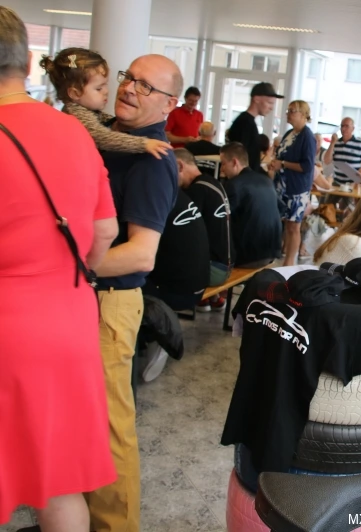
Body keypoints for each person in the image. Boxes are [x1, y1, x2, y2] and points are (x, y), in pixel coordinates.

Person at [0, 8, 118, 529]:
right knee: (60, 480)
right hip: (69, 316)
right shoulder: (74, 132)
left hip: (6, 319)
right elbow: (106, 229)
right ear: (27, 63)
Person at [90, 53, 183, 531]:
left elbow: (141, 254)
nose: (129, 88)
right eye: (129, 77)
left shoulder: (152, 159)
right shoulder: (110, 136)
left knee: (109, 426)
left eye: (146, 86)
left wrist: (61, 267)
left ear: (168, 104)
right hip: (85, 297)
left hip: (110, 302)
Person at [40, 47, 171, 159]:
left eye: (105, 85)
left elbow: (101, 119)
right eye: (99, 88)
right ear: (75, 93)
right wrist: (143, 144)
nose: (106, 92)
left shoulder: (80, 110)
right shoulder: (77, 114)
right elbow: (102, 137)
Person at [175, 149, 233, 289]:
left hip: (214, 269)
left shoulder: (197, 190)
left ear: (180, 166)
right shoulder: (212, 182)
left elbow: (184, 233)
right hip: (226, 263)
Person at [269, 100, 316, 266]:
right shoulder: (290, 133)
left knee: (294, 225)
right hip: (283, 185)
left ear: (303, 115)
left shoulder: (307, 137)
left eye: (292, 111)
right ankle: (283, 253)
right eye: (288, 111)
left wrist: (283, 164)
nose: (288, 114)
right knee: (286, 223)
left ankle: (289, 261)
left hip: (297, 188)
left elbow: (307, 166)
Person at [221, 142, 283, 267]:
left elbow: (222, 219)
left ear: (234, 162)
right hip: (272, 251)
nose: (222, 169)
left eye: (223, 164)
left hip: (249, 256)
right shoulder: (266, 180)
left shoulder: (234, 184)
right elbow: (280, 209)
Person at [228, 82, 283, 172]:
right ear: (256, 99)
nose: (271, 108)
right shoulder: (245, 123)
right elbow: (240, 158)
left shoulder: (248, 122)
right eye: (269, 102)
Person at [323, 116, 361, 186]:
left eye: (347, 126)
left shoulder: (360, 144)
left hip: (353, 184)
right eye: (342, 126)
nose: (343, 129)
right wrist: (332, 143)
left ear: (353, 129)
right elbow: (326, 161)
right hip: (337, 183)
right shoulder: (336, 143)